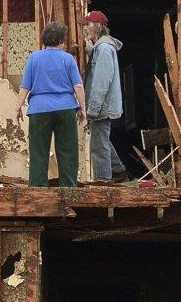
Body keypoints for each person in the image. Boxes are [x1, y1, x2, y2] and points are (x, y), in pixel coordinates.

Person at [16, 22, 86, 187]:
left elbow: (25, 86)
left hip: (39, 109)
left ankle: (38, 190)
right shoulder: (68, 59)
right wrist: (83, 108)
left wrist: (17, 107)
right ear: (62, 41)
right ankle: (69, 189)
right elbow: (78, 87)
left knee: (38, 151)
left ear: (44, 40)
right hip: (66, 108)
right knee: (68, 151)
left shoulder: (34, 58)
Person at [81, 10, 128, 183]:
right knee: (102, 139)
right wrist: (89, 50)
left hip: (102, 106)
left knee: (98, 145)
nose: (85, 28)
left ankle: (103, 180)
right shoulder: (101, 48)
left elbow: (102, 81)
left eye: (88, 24)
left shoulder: (104, 49)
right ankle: (118, 171)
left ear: (98, 26)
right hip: (104, 105)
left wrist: (92, 109)